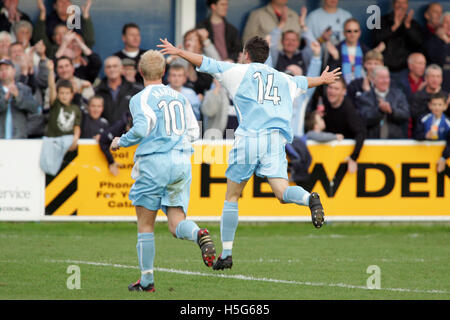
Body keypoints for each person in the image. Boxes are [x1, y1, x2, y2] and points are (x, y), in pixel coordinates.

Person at [158, 36, 342, 270]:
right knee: (282, 191)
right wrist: (324, 79)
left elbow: (206, 62)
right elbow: (305, 82)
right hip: (276, 140)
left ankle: (226, 254)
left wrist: (179, 52)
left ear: (246, 55)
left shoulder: (238, 71)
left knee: (232, 196)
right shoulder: (284, 79)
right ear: (265, 57)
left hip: (250, 138)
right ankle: (309, 198)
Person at [109, 50, 216, 292]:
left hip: (154, 163)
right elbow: (193, 133)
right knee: (176, 223)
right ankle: (199, 233)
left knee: (146, 225)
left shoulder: (140, 98)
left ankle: (146, 281)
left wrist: (120, 141)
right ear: (164, 72)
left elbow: (141, 128)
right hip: (180, 162)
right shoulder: (179, 97)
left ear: (140, 72)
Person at [319, 77, 366, 173]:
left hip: (345, 154)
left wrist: (353, 158)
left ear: (344, 92)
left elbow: (361, 132)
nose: (332, 91)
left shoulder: (348, 109)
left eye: (336, 89)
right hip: (327, 151)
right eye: (330, 87)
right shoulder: (324, 102)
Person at [372, 0, 423, 83]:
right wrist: (394, 27)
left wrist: (407, 27)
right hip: (385, 68)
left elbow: (418, 43)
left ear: (407, 5)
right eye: (398, 2)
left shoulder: (412, 24)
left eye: (404, 3)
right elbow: (376, 39)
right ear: (393, 4)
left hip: (405, 70)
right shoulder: (382, 21)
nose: (401, 6)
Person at [356, 66, 410, 139]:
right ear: (373, 80)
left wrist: (392, 111)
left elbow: (406, 115)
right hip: (371, 143)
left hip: (395, 142)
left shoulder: (398, 95)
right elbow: (363, 119)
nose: (385, 81)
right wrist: (379, 110)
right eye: (381, 78)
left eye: (387, 77)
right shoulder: (365, 97)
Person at [94, 56, 141, 124]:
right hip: (106, 132)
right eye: (108, 67)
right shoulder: (97, 91)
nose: (112, 69)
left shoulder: (134, 89)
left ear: (121, 68)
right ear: (104, 70)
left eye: (115, 66)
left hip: (128, 133)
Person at [0, 58, 38, 139]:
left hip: (19, 138)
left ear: (14, 71)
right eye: (1, 69)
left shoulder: (24, 89)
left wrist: (18, 96)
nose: (4, 71)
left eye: (7, 68)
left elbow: (34, 108)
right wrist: (5, 99)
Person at [414, 92, 450, 173]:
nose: (437, 107)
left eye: (439, 105)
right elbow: (416, 135)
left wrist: (444, 157)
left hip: (442, 158)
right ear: (430, 105)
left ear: (445, 106)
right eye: (434, 104)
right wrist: (425, 136)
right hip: (423, 156)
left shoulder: (448, 123)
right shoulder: (423, 119)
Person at [327, 18, 370, 85]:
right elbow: (330, 76)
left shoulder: (366, 50)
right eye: (349, 31)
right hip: (342, 90)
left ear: (360, 33)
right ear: (344, 33)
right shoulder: (336, 49)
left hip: (361, 88)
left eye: (355, 31)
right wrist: (335, 59)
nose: (352, 34)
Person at [410, 64, 450, 132]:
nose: (435, 79)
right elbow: (415, 116)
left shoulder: (446, 96)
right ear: (425, 78)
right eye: (432, 76)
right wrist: (434, 97)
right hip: (423, 134)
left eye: (438, 76)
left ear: (441, 79)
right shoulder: (418, 96)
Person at [425, 13, 450, 93]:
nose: (449, 25)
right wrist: (446, 42)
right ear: (441, 25)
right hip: (440, 90)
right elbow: (440, 60)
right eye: (446, 22)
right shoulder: (433, 41)